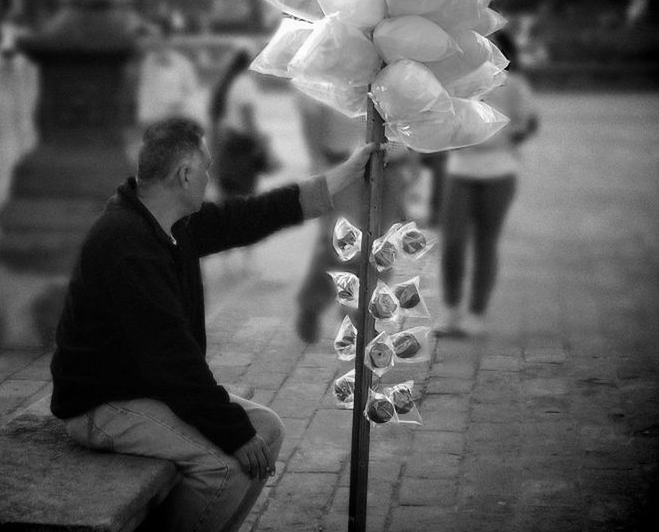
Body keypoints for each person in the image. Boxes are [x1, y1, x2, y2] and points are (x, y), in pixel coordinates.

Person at [49, 116, 377, 532]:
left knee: (266, 430)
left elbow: (246, 217)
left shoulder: (168, 222)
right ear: (183, 175)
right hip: (102, 404)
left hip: (147, 388)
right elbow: (172, 363)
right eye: (204, 167)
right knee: (223, 464)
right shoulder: (127, 243)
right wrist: (229, 428)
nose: (210, 176)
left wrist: (337, 180)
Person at [434, 30, 539, 338]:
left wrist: (503, 137)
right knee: (452, 242)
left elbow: (530, 122)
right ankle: (452, 311)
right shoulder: (457, 81)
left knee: (485, 243)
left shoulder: (515, 84)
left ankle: (477, 312)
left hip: (499, 172)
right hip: (460, 171)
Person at [293, 90, 420, 343]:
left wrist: (413, 162)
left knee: (381, 248)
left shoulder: (398, 61)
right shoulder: (335, 63)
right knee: (342, 243)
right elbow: (311, 109)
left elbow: (416, 112)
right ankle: (316, 302)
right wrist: (318, 162)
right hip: (341, 164)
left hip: (391, 164)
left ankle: (363, 316)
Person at [208, 47, 278, 201]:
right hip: (242, 153)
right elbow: (249, 122)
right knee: (241, 204)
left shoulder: (231, 82)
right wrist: (267, 150)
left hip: (229, 149)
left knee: (228, 202)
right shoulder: (245, 84)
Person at [130, 22, 205, 158]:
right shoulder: (146, 64)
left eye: (155, 36)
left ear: (166, 38)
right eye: (150, 37)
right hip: (152, 127)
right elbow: (145, 100)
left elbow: (192, 95)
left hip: (175, 126)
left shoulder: (183, 65)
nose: (152, 40)